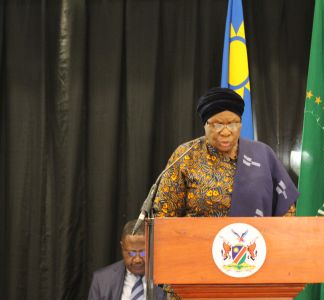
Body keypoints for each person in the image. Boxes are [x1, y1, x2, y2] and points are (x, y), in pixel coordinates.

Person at [153, 87, 299, 218]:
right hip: (198, 245)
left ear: (241, 123)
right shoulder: (186, 155)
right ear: (205, 124)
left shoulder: (263, 154)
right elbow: (164, 215)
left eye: (233, 123)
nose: (226, 131)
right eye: (217, 124)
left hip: (253, 246)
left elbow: (286, 210)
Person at [88, 219, 164, 300]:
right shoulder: (101, 280)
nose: (137, 260)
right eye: (132, 253)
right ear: (122, 247)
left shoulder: (168, 280)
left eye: (143, 253)